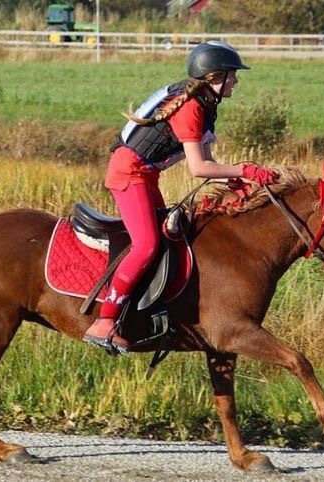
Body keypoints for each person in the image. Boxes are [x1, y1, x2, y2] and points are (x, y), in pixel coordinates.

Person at [82, 41, 279, 353]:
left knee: (169, 237)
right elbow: (199, 168)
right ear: (215, 77)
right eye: (233, 76)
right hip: (128, 174)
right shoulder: (191, 108)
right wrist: (245, 169)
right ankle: (105, 320)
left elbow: (209, 160)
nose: (237, 82)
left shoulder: (206, 105)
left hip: (145, 175)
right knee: (147, 245)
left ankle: (149, 314)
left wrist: (234, 179)